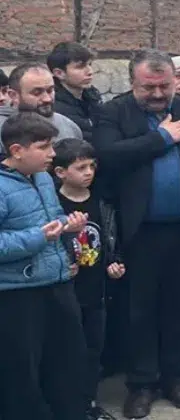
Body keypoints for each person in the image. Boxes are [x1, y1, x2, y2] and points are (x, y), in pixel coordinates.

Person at [94, 50, 180, 419]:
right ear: (132, 83)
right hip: (138, 232)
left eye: (164, 86)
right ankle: (142, 383)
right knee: (138, 310)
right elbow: (107, 156)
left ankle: (176, 378)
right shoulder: (114, 113)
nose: (158, 94)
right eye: (148, 87)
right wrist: (163, 137)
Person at [0, 113, 90, 420]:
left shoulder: (42, 178)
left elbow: (49, 219)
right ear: (17, 150)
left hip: (57, 283)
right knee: (23, 373)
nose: (52, 154)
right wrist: (38, 237)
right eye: (43, 147)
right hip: (18, 294)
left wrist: (67, 224)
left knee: (67, 363)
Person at [53, 138, 125, 420]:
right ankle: (67, 406)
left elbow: (110, 238)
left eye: (92, 166)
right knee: (66, 352)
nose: (88, 173)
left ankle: (89, 403)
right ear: (60, 172)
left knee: (94, 350)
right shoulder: (53, 203)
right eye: (80, 167)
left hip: (97, 290)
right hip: (67, 291)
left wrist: (114, 262)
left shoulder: (101, 201)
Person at [0, 63, 84, 141]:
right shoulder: (2, 131)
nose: (47, 99)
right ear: (14, 95)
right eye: (37, 93)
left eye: (50, 91)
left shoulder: (68, 126)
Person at [48, 41, 102, 135]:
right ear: (59, 73)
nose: (90, 72)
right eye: (80, 67)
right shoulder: (56, 107)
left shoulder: (93, 95)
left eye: (90, 64)